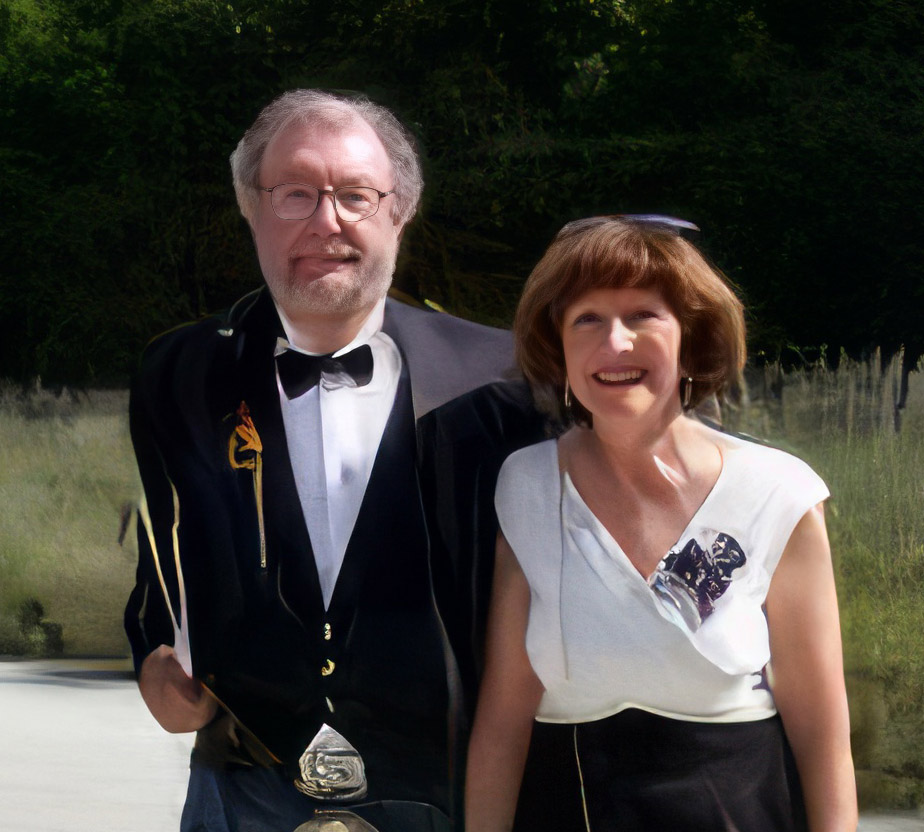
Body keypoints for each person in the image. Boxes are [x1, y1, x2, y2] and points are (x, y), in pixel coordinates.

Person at [125, 89, 543, 832]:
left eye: (355, 194)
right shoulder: (179, 371)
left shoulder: (505, 377)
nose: (327, 222)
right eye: (295, 194)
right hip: (242, 792)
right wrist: (152, 654)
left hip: (450, 795)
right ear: (249, 207)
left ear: (399, 210)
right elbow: (166, 551)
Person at [465, 216, 857, 831]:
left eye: (643, 315)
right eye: (586, 318)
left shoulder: (778, 492)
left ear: (691, 339)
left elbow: (821, 730)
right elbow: (503, 719)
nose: (614, 343)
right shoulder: (527, 486)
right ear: (559, 346)